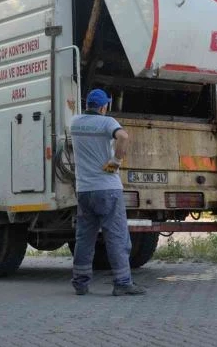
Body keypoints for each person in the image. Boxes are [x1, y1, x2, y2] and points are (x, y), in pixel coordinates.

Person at [70, 88, 146, 296]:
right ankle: (122, 282)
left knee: (84, 238)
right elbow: (123, 136)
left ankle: (80, 282)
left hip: (84, 190)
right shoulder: (107, 122)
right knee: (117, 236)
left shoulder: (75, 122)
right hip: (107, 189)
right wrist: (116, 161)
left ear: (87, 105)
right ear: (103, 106)